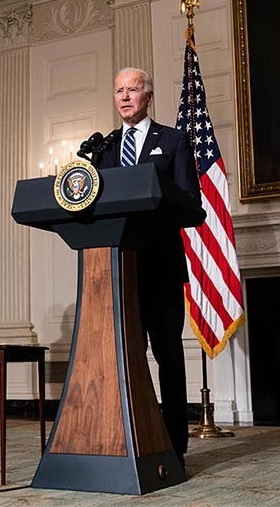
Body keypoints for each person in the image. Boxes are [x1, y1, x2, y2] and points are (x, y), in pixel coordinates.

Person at [98, 67, 201, 469]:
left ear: (148, 96)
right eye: (119, 90)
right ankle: (130, 438)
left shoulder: (173, 141)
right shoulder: (105, 149)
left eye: (133, 89)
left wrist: (154, 202)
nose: (125, 96)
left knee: (168, 357)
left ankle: (175, 445)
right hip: (119, 271)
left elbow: (192, 202)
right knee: (126, 358)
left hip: (159, 269)